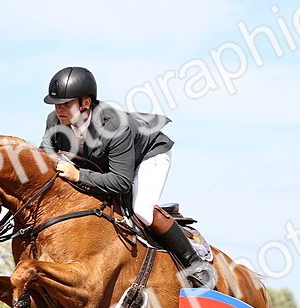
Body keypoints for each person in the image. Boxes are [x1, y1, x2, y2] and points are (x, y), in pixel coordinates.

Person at [39, 65, 215, 289]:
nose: (58, 109)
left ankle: (197, 265)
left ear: (85, 103)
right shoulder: (54, 121)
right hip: (109, 163)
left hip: (149, 154)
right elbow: (45, 153)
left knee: (142, 209)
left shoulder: (116, 127)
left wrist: (78, 174)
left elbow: (121, 182)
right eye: (56, 104)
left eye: (66, 104)